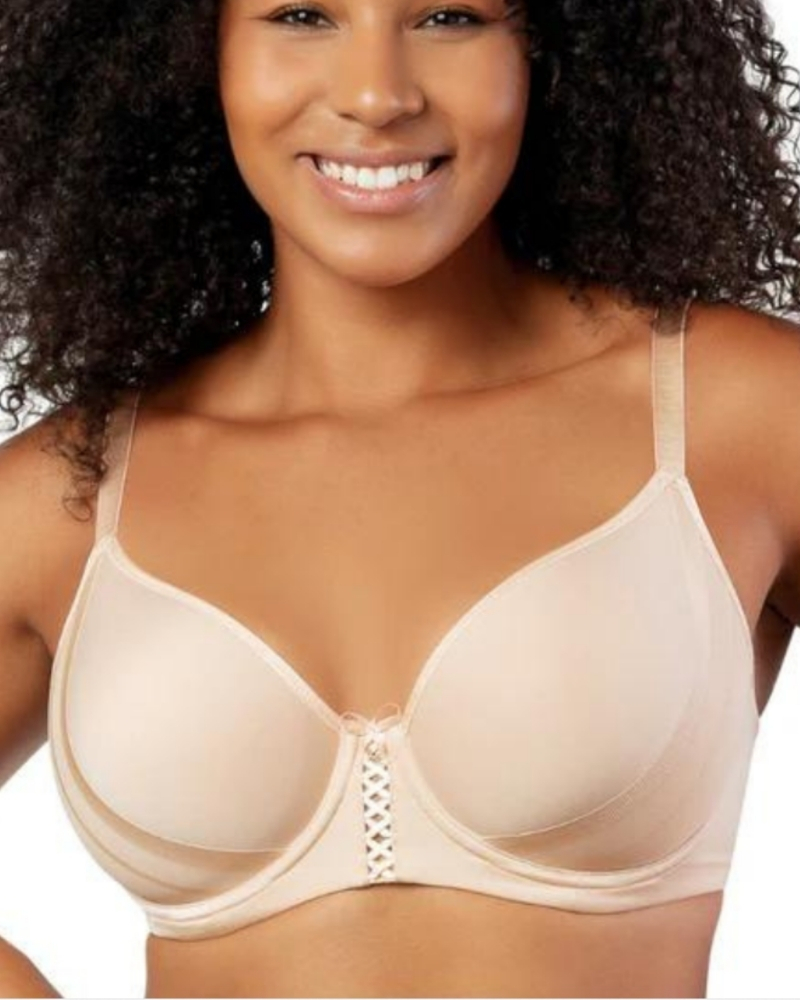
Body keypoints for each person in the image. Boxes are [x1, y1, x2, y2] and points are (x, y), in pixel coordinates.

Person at [1, 0, 800, 996]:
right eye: (302, 14)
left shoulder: (735, 414)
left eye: (448, 16)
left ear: (553, 47)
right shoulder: (70, 499)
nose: (376, 95)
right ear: (193, 50)